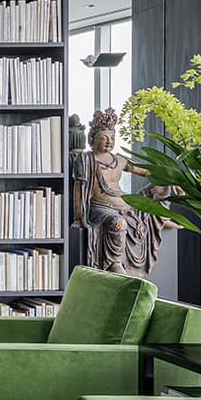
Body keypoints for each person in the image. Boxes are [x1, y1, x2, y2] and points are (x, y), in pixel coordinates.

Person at [72, 107, 173, 277]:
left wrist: (170, 177)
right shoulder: (86, 159)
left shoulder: (119, 160)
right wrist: (77, 218)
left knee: (162, 186)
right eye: (103, 138)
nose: (109, 142)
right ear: (91, 139)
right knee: (118, 223)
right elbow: (78, 191)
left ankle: (162, 217)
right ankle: (114, 262)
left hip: (126, 204)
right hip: (101, 208)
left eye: (112, 138)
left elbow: (147, 171)